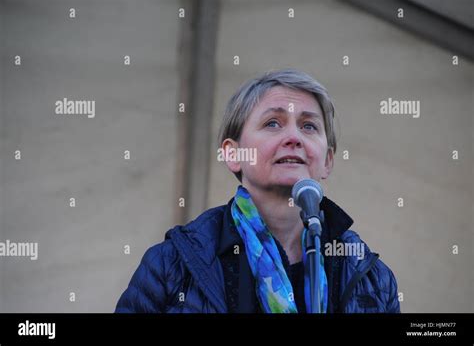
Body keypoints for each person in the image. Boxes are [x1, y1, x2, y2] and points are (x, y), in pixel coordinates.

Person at [115, 69, 400, 313]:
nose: (293, 137)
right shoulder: (171, 266)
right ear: (233, 154)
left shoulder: (373, 278)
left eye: (309, 126)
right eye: (273, 123)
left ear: (327, 161)